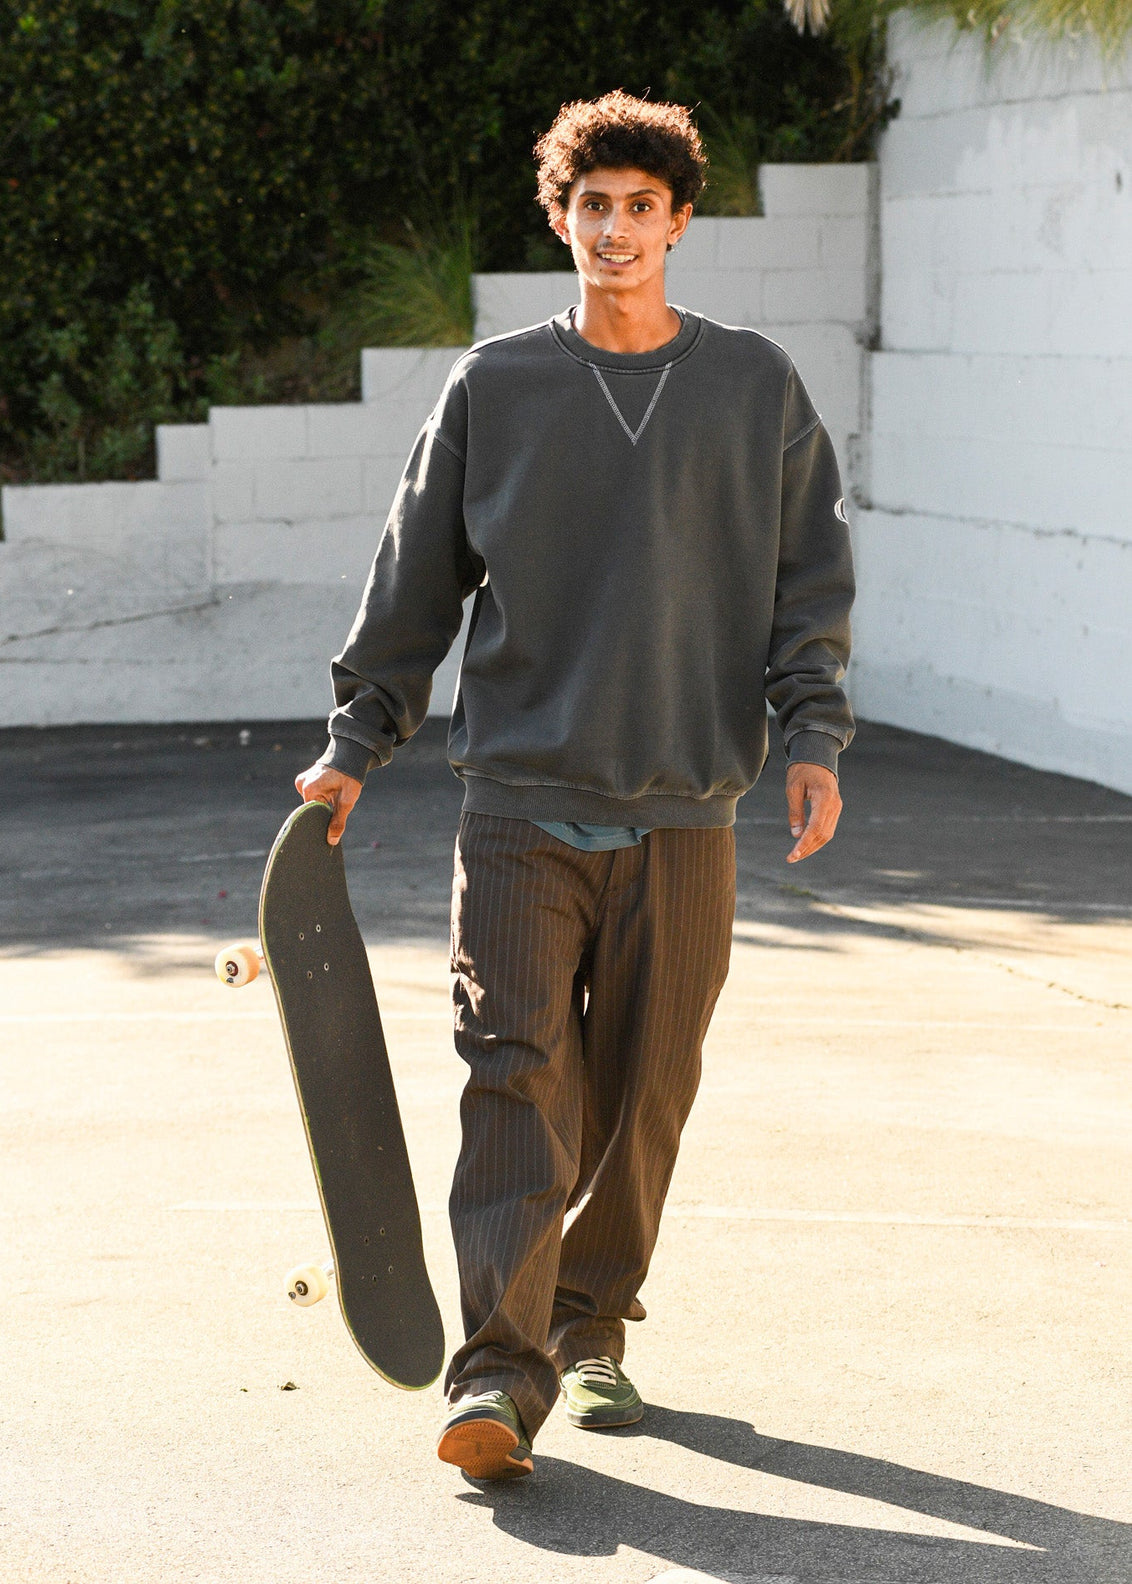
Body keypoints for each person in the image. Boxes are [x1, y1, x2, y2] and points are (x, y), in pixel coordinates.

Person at [295, 89, 854, 1481]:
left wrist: (814, 734)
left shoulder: (754, 387)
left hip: (685, 811)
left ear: (678, 223)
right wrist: (357, 744)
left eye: (639, 207)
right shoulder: (495, 388)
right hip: (519, 804)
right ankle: (496, 1373)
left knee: (644, 1095)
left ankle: (591, 1324)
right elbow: (414, 583)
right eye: (591, 205)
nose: (615, 229)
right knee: (514, 1076)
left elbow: (809, 580)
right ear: (563, 219)